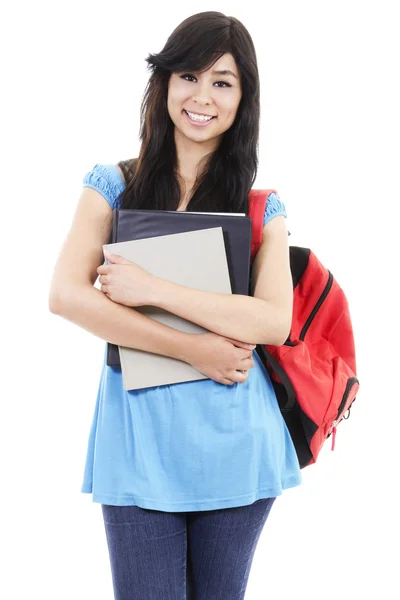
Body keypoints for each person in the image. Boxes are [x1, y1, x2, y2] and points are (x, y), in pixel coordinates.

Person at [49, 10, 302, 600]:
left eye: (223, 81)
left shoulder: (261, 207)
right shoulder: (112, 184)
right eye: (188, 75)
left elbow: (272, 320)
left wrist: (153, 290)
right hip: (138, 441)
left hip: (236, 440)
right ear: (163, 81)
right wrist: (194, 349)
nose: (202, 96)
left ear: (245, 98)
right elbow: (65, 295)